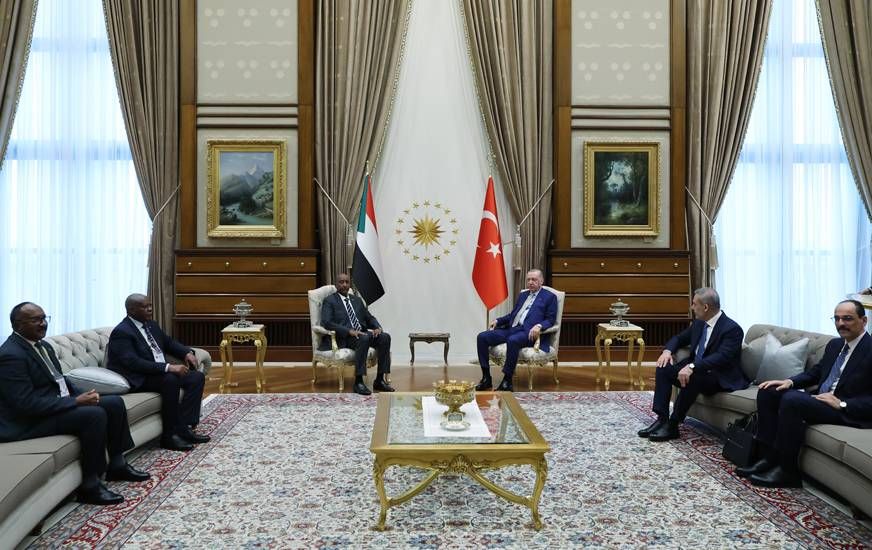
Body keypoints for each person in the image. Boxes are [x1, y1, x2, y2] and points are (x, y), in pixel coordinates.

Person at [0, 302, 150, 505]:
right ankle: (90, 485)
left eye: (44, 318)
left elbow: (59, 380)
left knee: (114, 403)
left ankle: (117, 464)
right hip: (27, 422)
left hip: (52, 406)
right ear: (18, 324)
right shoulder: (11, 356)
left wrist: (83, 395)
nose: (43, 324)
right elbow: (25, 404)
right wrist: (76, 402)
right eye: (36, 320)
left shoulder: (42, 346)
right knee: (93, 415)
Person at [737, 300, 872, 488]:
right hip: (821, 400)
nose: (841, 323)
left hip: (846, 410)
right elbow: (816, 372)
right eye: (837, 319)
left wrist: (842, 404)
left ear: (863, 320)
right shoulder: (835, 345)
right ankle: (768, 458)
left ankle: (788, 471)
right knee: (769, 391)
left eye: (847, 319)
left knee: (792, 400)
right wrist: (790, 382)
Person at [638, 287, 746, 441]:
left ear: (705, 307)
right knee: (663, 367)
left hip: (717, 376)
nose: (691, 307)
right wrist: (667, 352)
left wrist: (692, 367)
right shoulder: (699, 323)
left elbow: (721, 357)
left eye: (694, 304)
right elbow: (678, 338)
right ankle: (662, 419)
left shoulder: (732, 329)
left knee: (694, 376)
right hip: (694, 369)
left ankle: (673, 425)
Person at [107, 294, 210, 452]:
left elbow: (169, 343)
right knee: (171, 379)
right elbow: (133, 362)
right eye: (144, 307)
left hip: (158, 373)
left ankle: (185, 428)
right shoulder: (122, 332)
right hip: (139, 377)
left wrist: (186, 353)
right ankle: (169, 436)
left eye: (150, 305)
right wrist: (168, 367)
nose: (150, 309)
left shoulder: (151, 325)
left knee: (196, 377)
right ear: (131, 310)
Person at [475, 269, 558, 392]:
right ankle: (486, 378)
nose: (530, 282)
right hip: (512, 328)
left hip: (529, 333)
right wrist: (498, 320)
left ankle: (507, 381)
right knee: (482, 337)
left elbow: (550, 319)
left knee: (512, 340)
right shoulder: (523, 295)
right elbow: (513, 315)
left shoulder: (550, 297)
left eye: (534, 279)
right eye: (528, 280)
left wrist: (539, 325)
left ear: (541, 281)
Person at [319, 273, 395, 395]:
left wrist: (377, 327)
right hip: (345, 337)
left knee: (385, 337)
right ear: (336, 284)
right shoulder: (330, 301)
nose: (344, 285)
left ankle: (379, 380)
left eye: (347, 282)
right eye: (341, 282)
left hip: (362, 334)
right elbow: (327, 322)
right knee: (363, 338)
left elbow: (369, 317)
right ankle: (358, 382)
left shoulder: (357, 300)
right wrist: (348, 331)